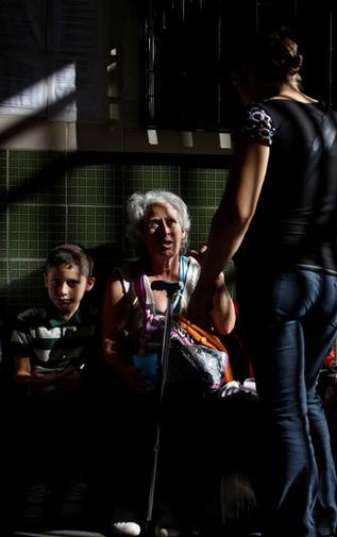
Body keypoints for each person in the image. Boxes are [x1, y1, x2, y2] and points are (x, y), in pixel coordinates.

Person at [187, 31, 337, 537]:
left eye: (235, 84)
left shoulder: (261, 117)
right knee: (306, 398)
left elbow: (238, 212)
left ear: (246, 75)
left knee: (282, 406)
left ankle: (295, 528)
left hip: (278, 279)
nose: (236, 95)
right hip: (332, 279)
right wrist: (327, 264)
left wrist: (208, 283)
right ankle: (323, 521)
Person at [101, 190, 236, 536]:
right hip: (144, 381)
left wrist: (216, 276)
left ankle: (173, 512)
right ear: (140, 234)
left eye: (171, 222)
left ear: (184, 230)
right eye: (153, 225)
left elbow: (226, 326)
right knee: (140, 418)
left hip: (196, 382)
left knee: (189, 421)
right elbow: (110, 344)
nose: (164, 231)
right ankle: (132, 505)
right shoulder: (124, 281)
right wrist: (129, 375)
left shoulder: (199, 273)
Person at [10, 244, 97, 527]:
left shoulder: (96, 323)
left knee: (81, 449)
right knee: (39, 452)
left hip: (81, 408)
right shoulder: (28, 322)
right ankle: (35, 506)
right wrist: (56, 379)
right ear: (45, 280)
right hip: (39, 406)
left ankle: (73, 509)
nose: (62, 291)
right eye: (56, 282)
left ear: (89, 284)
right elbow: (21, 375)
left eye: (72, 283)